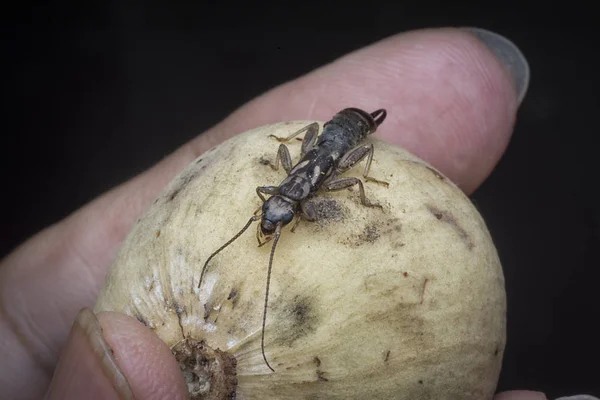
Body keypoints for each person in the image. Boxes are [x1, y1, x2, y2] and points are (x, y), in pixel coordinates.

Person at [0, 26, 594, 400]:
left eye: (277, 214)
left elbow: (339, 171)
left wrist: (349, 170)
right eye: (276, 213)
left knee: (354, 176)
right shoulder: (283, 195)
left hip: (344, 137)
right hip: (329, 139)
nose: (273, 219)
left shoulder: (313, 190)